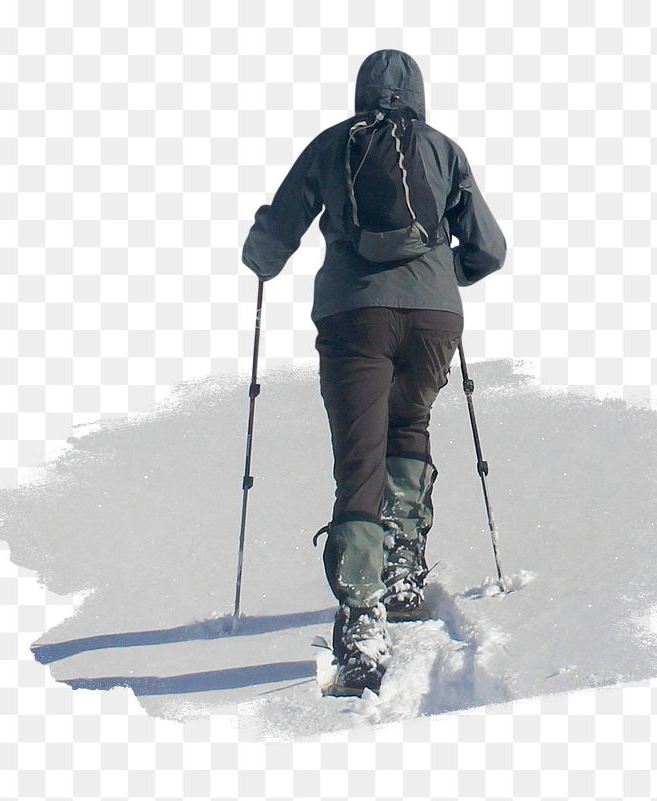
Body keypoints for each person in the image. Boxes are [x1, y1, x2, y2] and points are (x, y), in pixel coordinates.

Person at [241, 49, 506, 696]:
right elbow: (489, 248)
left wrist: (259, 258)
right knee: (408, 423)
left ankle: (362, 617)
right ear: (418, 94)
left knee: (359, 455)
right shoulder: (444, 151)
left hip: (353, 316)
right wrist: (445, 275)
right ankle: (404, 571)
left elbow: (278, 233)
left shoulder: (334, 146)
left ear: (361, 92)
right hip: (433, 320)